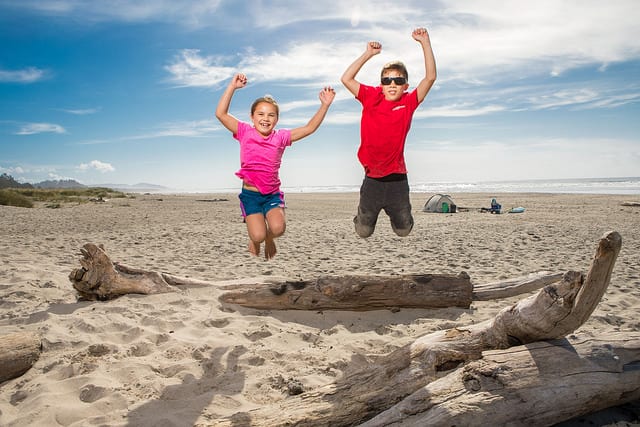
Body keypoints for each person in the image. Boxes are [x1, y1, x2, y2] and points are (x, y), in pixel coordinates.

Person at [215, 73, 335, 259]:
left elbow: (309, 128)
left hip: (271, 193)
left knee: (278, 229)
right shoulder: (244, 131)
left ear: (277, 119)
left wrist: (325, 105)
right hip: (251, 195)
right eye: (260, 114)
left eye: (271, 115)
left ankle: (270, 239)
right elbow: (220, 114)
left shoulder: (280, 137)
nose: (265, 118)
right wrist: (232, 86)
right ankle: (257, 240)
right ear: (252, 117)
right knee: (258, 235)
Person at [341, 27, 436, 238]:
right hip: (372, 180)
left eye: (398, 80)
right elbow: (346, 79)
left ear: (405, 86)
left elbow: (430, 78)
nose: (392, 84)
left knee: (403, 230)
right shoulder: (371, 97)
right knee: (363, 231)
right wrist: (368, 54)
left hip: (397, 180)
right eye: (387, 80)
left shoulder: (408, 102)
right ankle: (360, 217)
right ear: (381, 84)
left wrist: (425, 43)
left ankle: (401, 217)